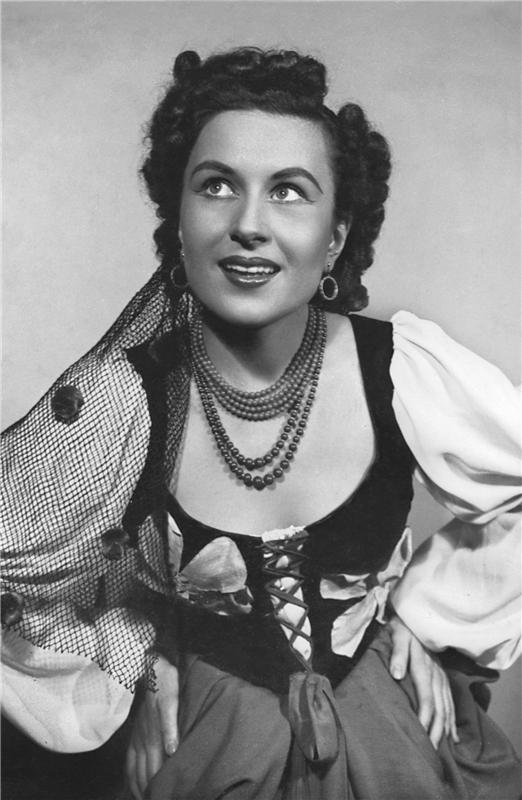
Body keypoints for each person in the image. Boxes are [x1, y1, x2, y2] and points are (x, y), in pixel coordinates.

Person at [1, 47, 520, 800]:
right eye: (217, 186)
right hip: (204, 741)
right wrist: (135, 660)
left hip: (391, 734)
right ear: (179, 220)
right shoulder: (122, 399)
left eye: (288, 191)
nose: (248, 225)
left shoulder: (402, 369)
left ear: (336, 235)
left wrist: (424, 619)